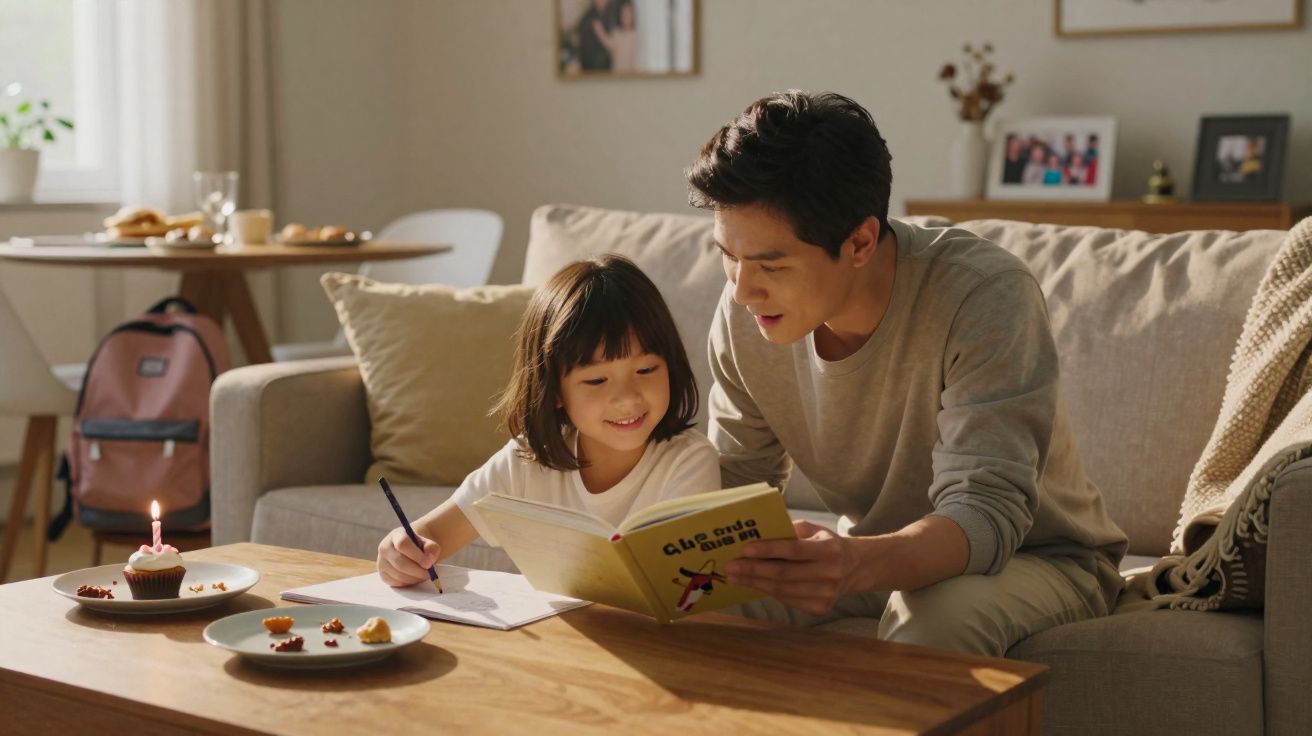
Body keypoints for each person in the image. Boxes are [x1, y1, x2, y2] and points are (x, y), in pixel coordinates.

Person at [684, 90, 1127, 657]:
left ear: (861, 241)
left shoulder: (984, 296)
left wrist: (852, 563)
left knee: (932, 623)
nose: (742, 290)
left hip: (1036, 557)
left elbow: (985, 512)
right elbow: (737, 484)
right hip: (875, 552)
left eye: (771, 264)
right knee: (694, 601)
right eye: (728, 255)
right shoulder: (746, 310)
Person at [376, 255, 722, 586]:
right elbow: (430, 534)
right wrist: (400, 552)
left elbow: (684, 583)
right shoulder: (529, 459)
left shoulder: (688, 461)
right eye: (597, 380)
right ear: (554, 389)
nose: (628, 398)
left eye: (646, 370)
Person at [593, 0, 638, 73]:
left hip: (630, 73)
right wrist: (600, 31)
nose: (626, 16)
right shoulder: (616, 32)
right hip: (616, 72)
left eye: (629, 14)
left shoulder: (634, 35)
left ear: (633, 16)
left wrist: (600, 32)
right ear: (620, 15)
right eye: (624, 14)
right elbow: (610, 45)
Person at [577, 0, 614, 72]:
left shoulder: (612, 15)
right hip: (591, 68)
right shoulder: (587, 19)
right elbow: (584, 49)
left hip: (609, 68)